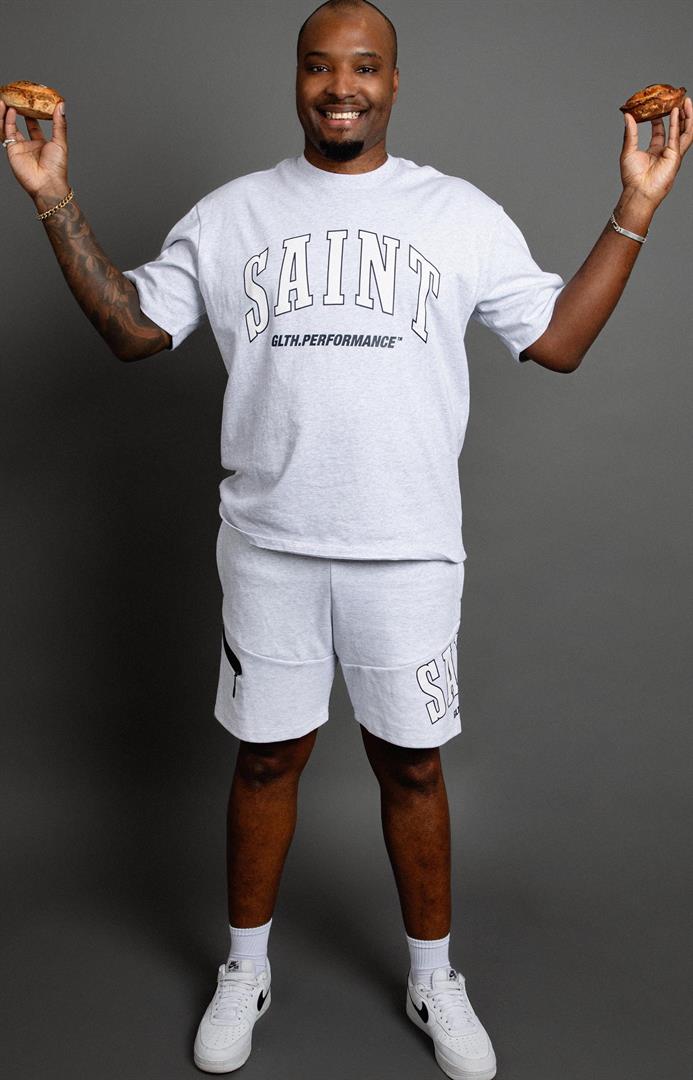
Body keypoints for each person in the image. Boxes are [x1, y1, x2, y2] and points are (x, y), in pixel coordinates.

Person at [3, 1, 691, 1076]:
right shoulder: (234, 213)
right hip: (269, 546)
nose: (341, 87)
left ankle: (432, 978)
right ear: (297, 79)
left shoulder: (456, 213)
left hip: (408, 549)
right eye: (320, 67)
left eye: (364, 67)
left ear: (394, 82)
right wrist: (53, 197)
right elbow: (134, 330)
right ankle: (245, 968)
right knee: (266, 758)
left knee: (412, 767)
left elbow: (557, 341)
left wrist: (635, 206)